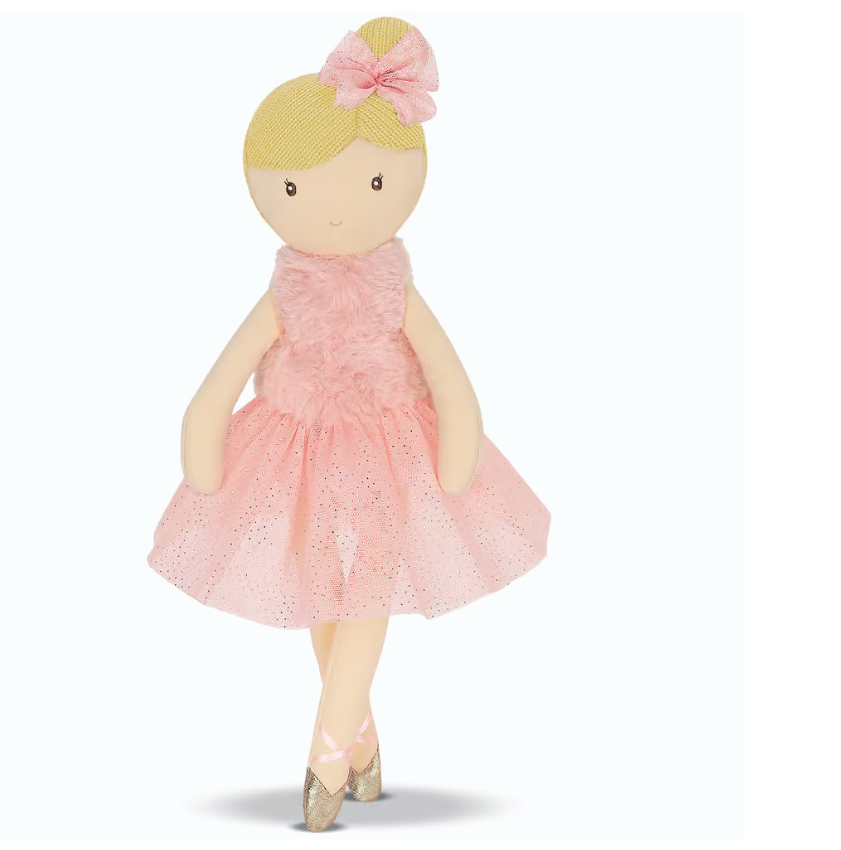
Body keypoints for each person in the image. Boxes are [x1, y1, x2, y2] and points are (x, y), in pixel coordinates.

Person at [147, 16, 551, 832]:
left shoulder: (395, 289)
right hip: (294, 449)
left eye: (369, 183)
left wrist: (461, 440)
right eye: (297, 190)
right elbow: (228, 370)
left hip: (390, 451)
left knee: (366, 587)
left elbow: (447, 372)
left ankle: (326, 756)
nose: (334, 211)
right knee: (322, 593)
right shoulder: (285, 291)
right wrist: (204, 425)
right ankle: (361, 747)